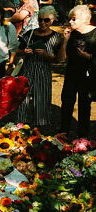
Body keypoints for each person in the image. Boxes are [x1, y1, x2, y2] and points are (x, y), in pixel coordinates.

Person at [15, 6, 61, 127]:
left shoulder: (56, 37)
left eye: (46, 20)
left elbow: (58, 60)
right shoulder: (29, 34)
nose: (42, 23)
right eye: (40, 20)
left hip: (43, 70)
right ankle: (20, 125)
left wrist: (46, 55)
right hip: (27, 69)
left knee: (42, 98)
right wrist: (24, 52)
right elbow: (17, 51)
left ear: (52, 20)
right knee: (22, 98)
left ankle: (41, 126)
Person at [56, 4, 95, 137]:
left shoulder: (95, 34)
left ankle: (83, 137)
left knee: (85, 105)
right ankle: (63, 132)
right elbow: (61, 58)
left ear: (84, 19)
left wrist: (89, 57)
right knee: (66, 102)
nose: (70, 22)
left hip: (88, 76)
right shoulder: (71, 34)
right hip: (71, 74)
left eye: (74, 19)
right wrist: (65, 41)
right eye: (70, 19)